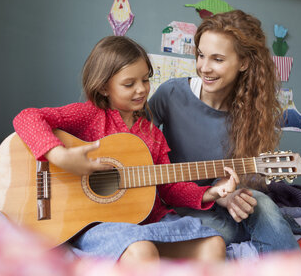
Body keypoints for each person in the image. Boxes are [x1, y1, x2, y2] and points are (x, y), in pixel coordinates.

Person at [12, 36, 240, 264]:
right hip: (101, 223)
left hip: (151, 219)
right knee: (142, 250)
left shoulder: (153, 134)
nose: (141, 90)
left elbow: (170, 188)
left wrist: (212, 193)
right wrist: (60, 156)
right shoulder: (89, 115)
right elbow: (27, 117)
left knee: (213, 244)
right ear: (103, 87)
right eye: (129, 84)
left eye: (145, 80)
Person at [149, 10, 300, 255]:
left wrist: (227, 194)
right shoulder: (171, 94)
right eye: (200, 55)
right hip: (175, 202)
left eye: (217, 59)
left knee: (263, 205)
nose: (204, 68)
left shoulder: (252, 113)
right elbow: (132, 138)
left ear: (244, 63)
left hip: (216, 202)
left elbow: (246, 176)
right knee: (226, 233)